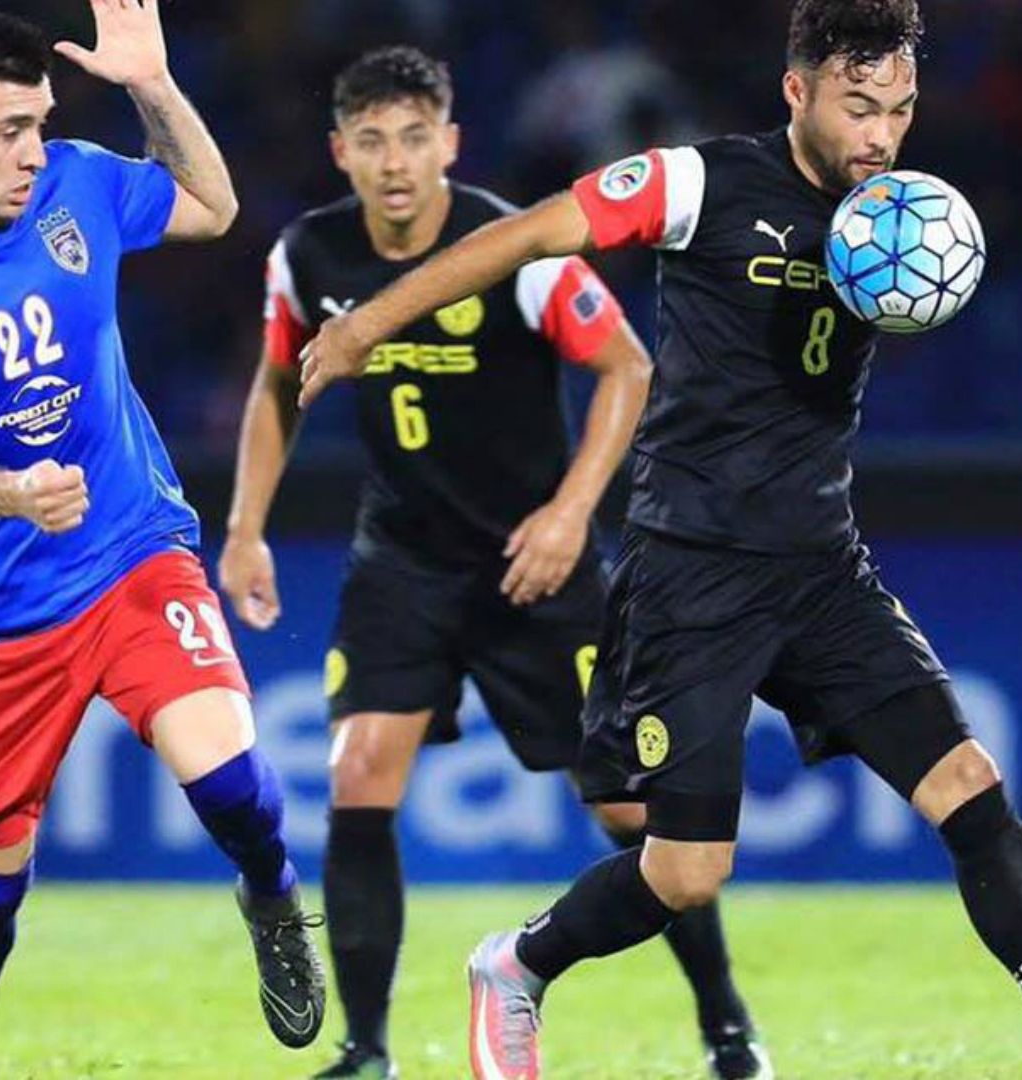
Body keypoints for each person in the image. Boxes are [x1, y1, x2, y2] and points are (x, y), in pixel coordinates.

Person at [296, 3, 1022, 1078]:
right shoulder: (703, 185)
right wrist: (365, 322)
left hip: (823, 569)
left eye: (900, 111)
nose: (880, 135)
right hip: (694, 575)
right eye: (858, 106)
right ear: (797, 90)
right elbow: (529, 233)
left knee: (968, 784)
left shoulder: (900, 217)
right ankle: (520, 966)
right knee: (686, 872)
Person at [218, 46, 770, 1080]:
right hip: (405, 560)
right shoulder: (310, 257)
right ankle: (367, 1051)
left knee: (628, 808)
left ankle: (726, 1024)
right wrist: (245, 527)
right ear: (341, 151)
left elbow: (627, 368)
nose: (395, 163)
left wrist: (570, 514)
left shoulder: (512, 248)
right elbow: (277, 386)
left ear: (450, 144)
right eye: (373, 141)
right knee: (360, 772)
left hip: (536, 567)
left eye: (415, 138)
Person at [0, 6, 327, 1077]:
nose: (33, 151)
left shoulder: (77, 183)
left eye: (42, 122)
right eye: (9, 129)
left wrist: (153, 86)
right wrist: (9, 493)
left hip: (127, 543)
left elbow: (213, 206)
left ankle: (273, 894)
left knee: (227, 768)